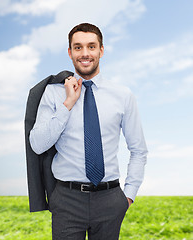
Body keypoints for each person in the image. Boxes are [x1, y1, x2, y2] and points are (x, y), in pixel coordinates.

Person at [29, 23, 148, 240]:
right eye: (78, 47)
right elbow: (37, 144)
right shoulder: (53, 93)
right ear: (70, 52)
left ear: (101, 50)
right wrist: (67, 104)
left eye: (91, 47)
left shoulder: (123, 95)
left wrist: (128, 196)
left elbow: (138, 150)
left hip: (110, 199)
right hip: (66, 199)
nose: (85, 53)